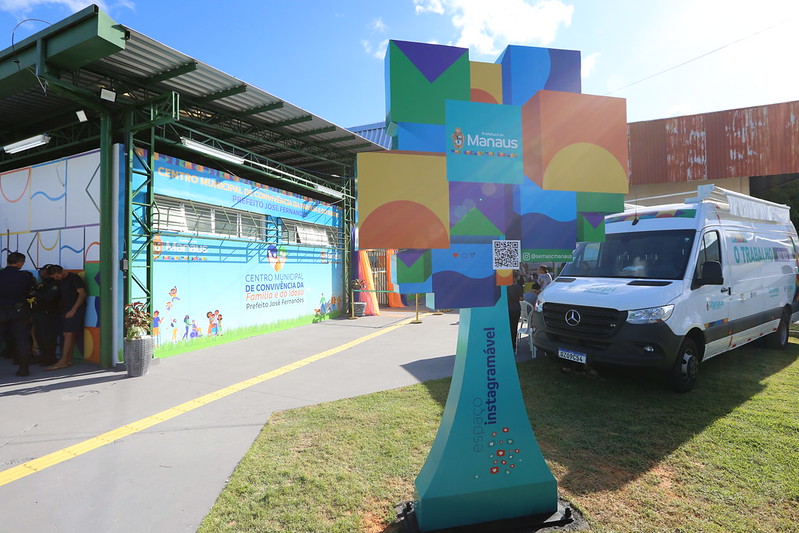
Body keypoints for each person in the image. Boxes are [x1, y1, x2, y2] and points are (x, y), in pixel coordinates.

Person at [45, 265, 87, 370]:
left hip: (74, 308)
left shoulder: (74, 278)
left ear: (62, 271)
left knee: (67, 333)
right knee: (68, 333)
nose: (56, 278)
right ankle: (67, 359)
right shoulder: (60, 280)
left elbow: (82, 294)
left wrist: (74, 309)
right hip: (65, 309)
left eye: (57, 276)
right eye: (54, 277)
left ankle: (63, 360)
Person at [0, 252, 36, 376]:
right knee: (22, 339)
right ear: (19, 262)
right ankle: (24, 368)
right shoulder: (25, 276)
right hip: (19, 310)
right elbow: (30, 292)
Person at [32, 264, 60, 366]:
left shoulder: (54, 283)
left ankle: (50, 358)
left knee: (48, 337)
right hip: (39, 313)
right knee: (39, 335)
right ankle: (42, 356)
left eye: (43, 270)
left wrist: (35, 293)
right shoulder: (42, 283)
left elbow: (50, 297)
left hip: (49, 313)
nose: (41, 272)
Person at [507, 276, 524, 352]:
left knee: (508, 327)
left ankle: (508, 344)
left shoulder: (504, 287)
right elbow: (521, 298)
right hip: (515, 309)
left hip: (507, 309)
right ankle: (513, 345)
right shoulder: (517, 287)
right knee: (514, 327)